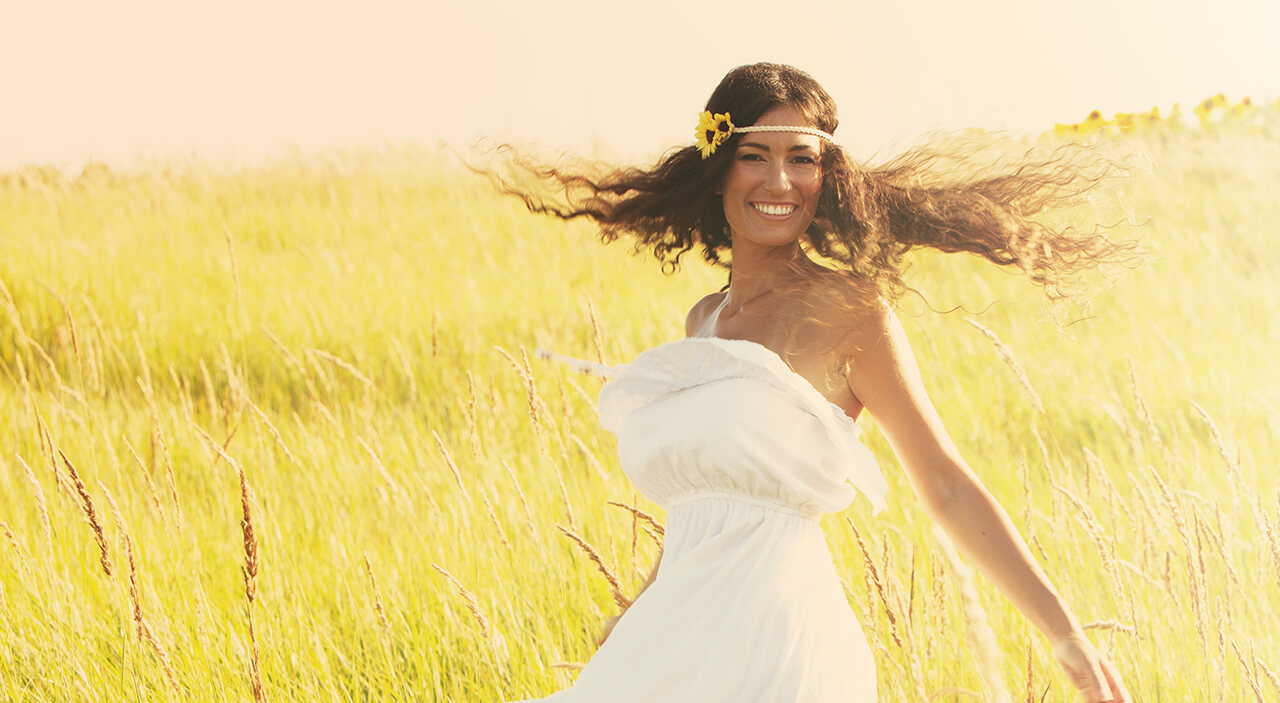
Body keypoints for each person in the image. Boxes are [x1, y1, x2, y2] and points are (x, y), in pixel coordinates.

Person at [498, 62, 1134, 703]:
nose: (781, 181)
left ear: (825, 176)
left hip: (778, 643)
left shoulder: (850, 312)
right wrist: (638, 608)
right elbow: (710, 499)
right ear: (718, 167)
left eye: (802, 159)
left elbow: (943, 484)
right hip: (675, 635)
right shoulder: (705, 319)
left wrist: (1063, 632)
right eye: (756, 155)